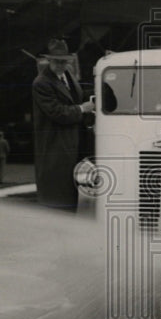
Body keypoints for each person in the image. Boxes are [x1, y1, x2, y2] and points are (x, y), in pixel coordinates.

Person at [32, 38, 96, 210]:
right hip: (56, 151)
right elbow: (58, 112)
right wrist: (82, 109)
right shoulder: (41, 83)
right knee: (57, 203)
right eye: (57, 61)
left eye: (64, 61)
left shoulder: (67, 76)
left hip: (70, 148)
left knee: (67, 200)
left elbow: (77, 96)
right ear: (49, 60)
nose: (61, 65)